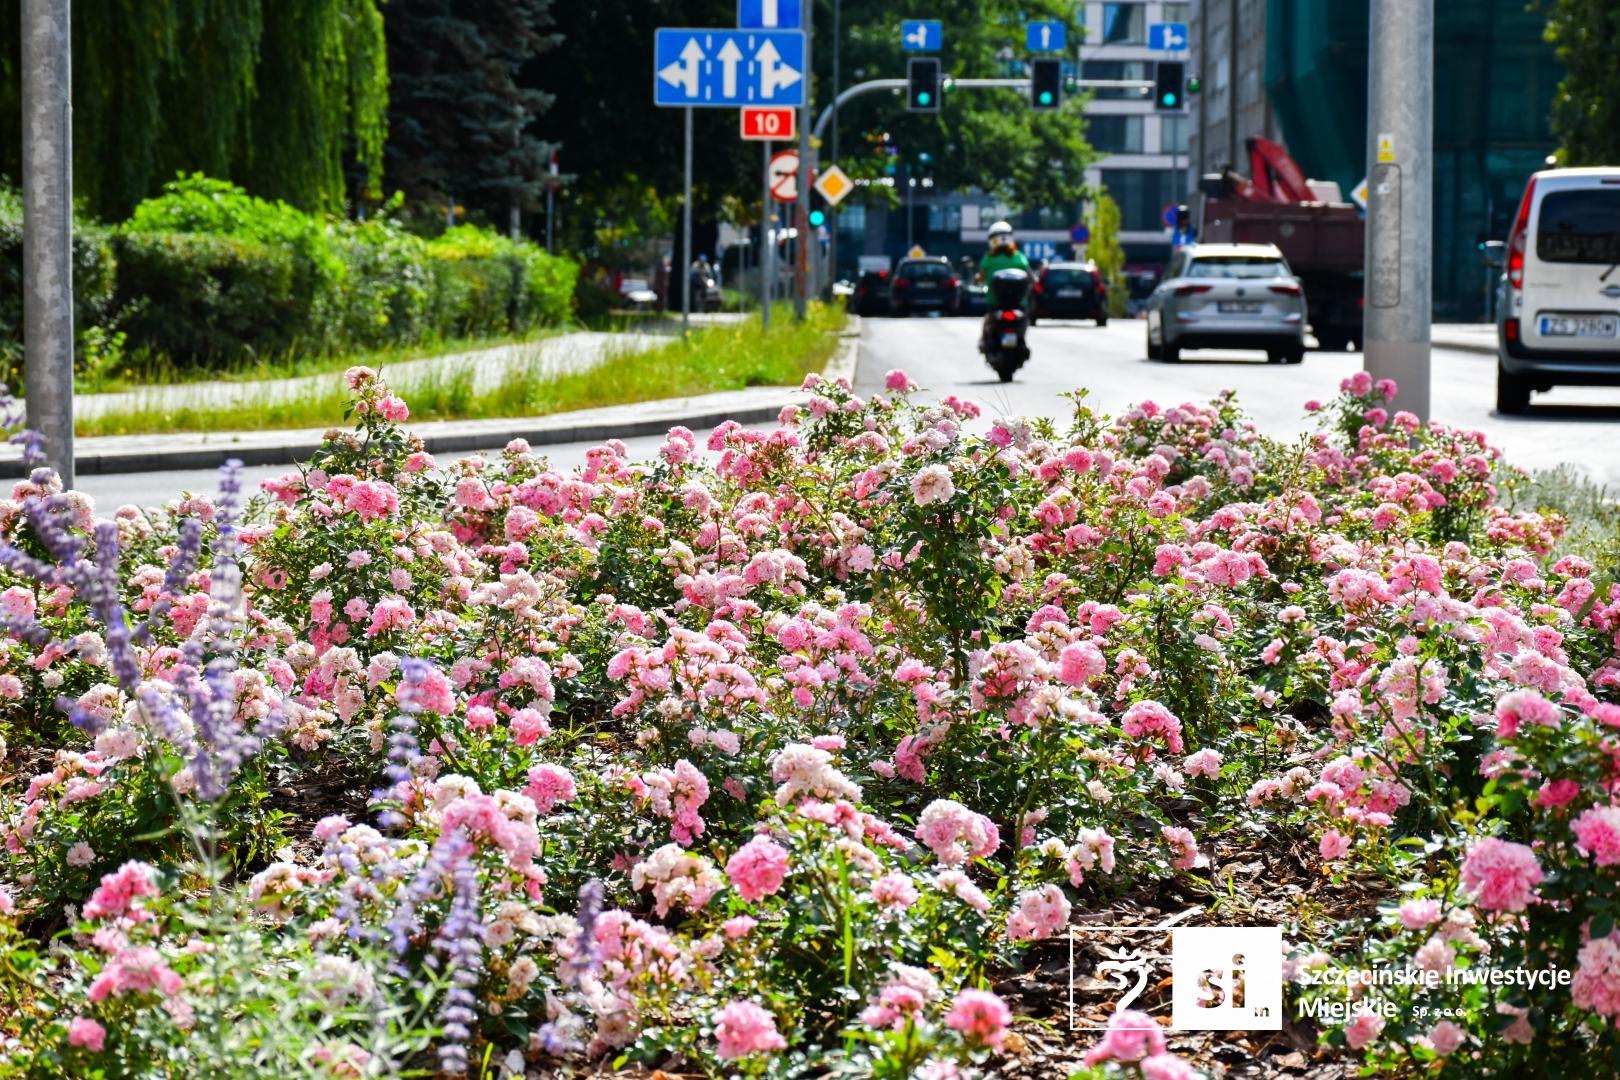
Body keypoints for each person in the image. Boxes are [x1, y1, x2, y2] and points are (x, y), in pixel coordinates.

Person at [978, 221, 1031, 348]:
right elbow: (1031, 278)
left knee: (987, 320)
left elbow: (980, 277)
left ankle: (983, 341)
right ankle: (1021, 341)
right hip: (1019, 304)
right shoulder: (1019, 257)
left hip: (995, 303)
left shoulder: (988, 258)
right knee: (1024, 321)